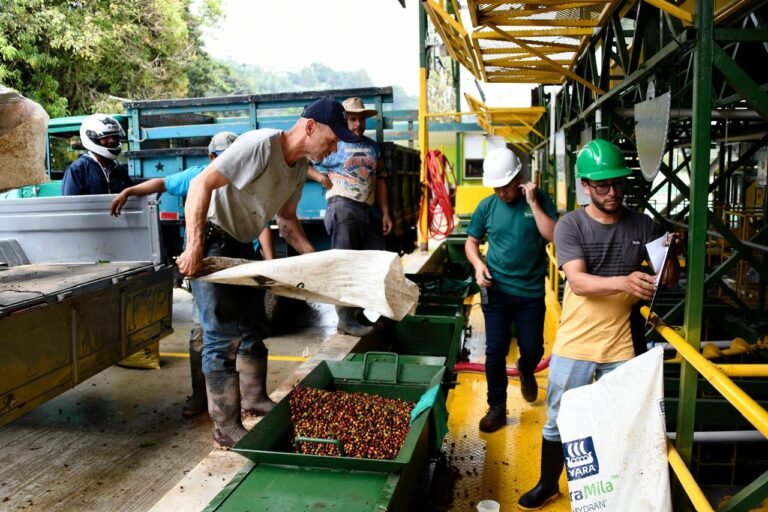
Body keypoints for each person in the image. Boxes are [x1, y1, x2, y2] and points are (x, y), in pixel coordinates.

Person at [175, 97, 358, 449]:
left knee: (255, 325)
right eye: (332, 140)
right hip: (212, 238)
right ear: (309, 127)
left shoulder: (298, 168)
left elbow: (287, 222)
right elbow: (201, 186)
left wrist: (318, 261)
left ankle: (255, 398)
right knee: (220, 335)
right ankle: (226, 425)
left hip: (241, 242)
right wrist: (194, 245)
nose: (333, 148)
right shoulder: (260, 145)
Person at [517, 139, 680, 510]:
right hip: (576, 343)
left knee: (622, 421)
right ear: (585, 186)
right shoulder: (570, 226)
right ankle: (547, 484)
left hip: (622, 346)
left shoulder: (643, 225)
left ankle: (618, 492)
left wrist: (671, 253)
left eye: (619, 183)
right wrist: (625, 281)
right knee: (558, 419)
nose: (612, 192)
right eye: (602, 185)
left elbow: (667, 280)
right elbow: (578, 282)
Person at [110, 132, 273, 418]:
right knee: (207, 332)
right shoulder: (197, 175)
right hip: (206, 258)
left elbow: (262, 223)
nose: (230, 162)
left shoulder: (246, 180)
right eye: (223, 156)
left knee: (251, 326)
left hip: (242, 257)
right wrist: (130, 192)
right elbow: (162, 182)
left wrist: (269, 262)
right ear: (212, 158)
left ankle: (253, 397)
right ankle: (203, 397)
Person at [464, 147, 557, 434]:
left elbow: (553, 235)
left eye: (506, 187)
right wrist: (479, 265)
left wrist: (533, 202)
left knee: (533, 348)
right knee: (495, 351)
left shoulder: (539, 200)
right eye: (497, 188)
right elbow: (471, 242)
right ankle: (497, 407)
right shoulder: (487, 206)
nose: (501, 193)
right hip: (497, 291)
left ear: (519, 176)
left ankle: (526, 368)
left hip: (530, 292)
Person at [309, 96, 393, 336]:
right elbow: (304, 162)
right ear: (345, 120)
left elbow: (380, 180)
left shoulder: (372, 146)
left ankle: (358, 314)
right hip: (342, 206)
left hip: (366, 210)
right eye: (353, 119)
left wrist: (386, 213)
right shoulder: (335, 143)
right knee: (345, 263)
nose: (358, 125)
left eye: (361, 119)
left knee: (372, 261)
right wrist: (321, 178)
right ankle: (345, 319)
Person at [62, 114, 132, 195]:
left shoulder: (118, 169)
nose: (112, 141)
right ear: (91, 137)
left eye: (114, 136)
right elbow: (71, 204)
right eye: (105, 137)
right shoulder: (78, 170)